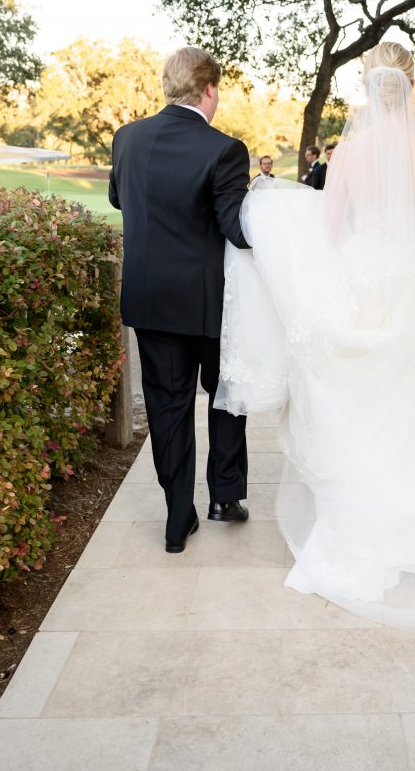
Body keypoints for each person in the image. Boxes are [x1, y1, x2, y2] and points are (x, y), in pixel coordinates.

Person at [216, 0, 415, 641]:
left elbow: (329, 233)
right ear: (407, 86)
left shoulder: (349, 152)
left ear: (364, 90)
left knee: (366, 410)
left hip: (367, 284)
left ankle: (368, 530)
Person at [109, 46, 251, 554]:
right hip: (212, 304)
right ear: (209, 89)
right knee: (226, 397)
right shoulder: (225, 149)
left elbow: (118, 199)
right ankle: (225, 498)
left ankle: (176, 519)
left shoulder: (126, 139)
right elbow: (237, 230)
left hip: (151, 301)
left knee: (168, 406)